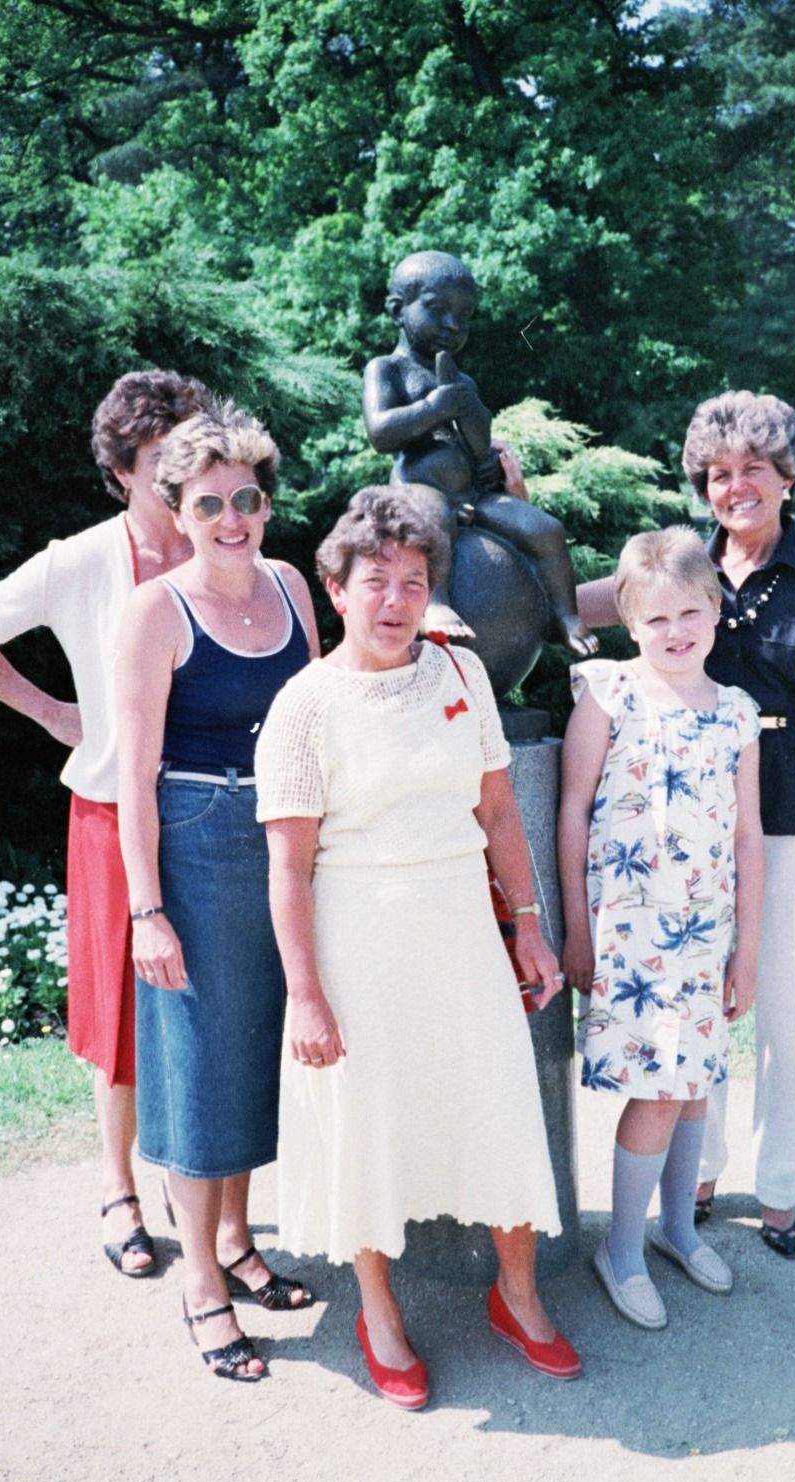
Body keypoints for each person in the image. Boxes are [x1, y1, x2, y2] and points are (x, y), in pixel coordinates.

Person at [255, 484, 581, 1410]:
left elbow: (495, 810)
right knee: (369, 1130)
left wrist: (527, 922)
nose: (395, 599)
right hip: (356, 945)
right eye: (376, 582)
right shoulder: (303, 707)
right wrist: (306, 997)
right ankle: (379, 1314)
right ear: (335, 588)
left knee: (499, 1108)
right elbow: (287, 870)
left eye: (412, 580)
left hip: (461, 933)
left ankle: (517, 1297)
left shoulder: (460, 675)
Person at [576, 392, 795, 1257]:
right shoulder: (679, 567)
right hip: (685, 830)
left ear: (786, 477)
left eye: (754, 469)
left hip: (784, 810)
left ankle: (779, 1189)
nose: (736, 486)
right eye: (719, 473)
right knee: (693, 1001)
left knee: (780, 1006)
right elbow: (581, 602)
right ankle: (696, 1178)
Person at [0, 369, 212, 1278]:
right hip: (109, 810)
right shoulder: (79, 559)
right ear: (123, 470)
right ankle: (118, 1189)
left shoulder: (222, 542)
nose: (182, 475)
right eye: (160, 460)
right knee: (117, 1010)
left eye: (191, 449)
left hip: (213, 810)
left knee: (207, 1003)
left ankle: (195, 1184)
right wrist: (53, 712)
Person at [115, 401, 318, 1381]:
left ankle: (237, 1243)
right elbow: (133, 776)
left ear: (266, 503)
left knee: (252, 1059)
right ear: (179, 511)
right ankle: (201, 1281)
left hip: (282, 843)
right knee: (197, 1069)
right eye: (210, 504)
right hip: (194, 847)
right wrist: (145, 909)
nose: (232, 518)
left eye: (246, 499)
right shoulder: (156, 610)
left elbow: (320, 716)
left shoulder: (289, 587)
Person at [559, 528, 764, 1328]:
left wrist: (745, 950)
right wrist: (577, 929)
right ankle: (622, 1247)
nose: (674, 630)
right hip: (628, 937)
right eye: (654, 619)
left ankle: (677, 1229)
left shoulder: (737, 713)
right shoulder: (608, 693)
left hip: (704, 932)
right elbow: (573, 808)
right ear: (628, 623)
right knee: (653, 1088)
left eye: (690, 611)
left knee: (692, 1088)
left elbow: (747, 836)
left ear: (715, 610)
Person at [362, 249, 597, 657]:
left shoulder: (461, 379)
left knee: (545, 530)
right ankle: (434, 605)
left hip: (474, 495)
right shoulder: (387, 369)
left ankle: (564, 614)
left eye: (465, 316)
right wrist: (435, 407)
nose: (453, 325)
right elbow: (381, 432)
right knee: (431, 524)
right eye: (438, 310)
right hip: (420, 487)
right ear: (398, 311)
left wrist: (482, 447)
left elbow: (477, 442)